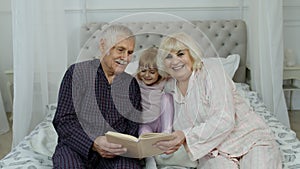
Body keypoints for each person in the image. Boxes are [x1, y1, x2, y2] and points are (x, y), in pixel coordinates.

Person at [154, 32, 282, 169]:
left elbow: (225, 118)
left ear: (192, 54)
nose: (175, 61)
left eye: (180, 54)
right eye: (168, 56)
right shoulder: (168, 89)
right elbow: (141, 83)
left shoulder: (212, 71)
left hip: (249, 139)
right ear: (163, 63)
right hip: (213, 152)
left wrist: (185, 135)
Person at [52, 24, 143, 169]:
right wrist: (93, 142)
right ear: (103, 46)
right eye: (120, 50)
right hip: (77, 147)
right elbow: (63, 120)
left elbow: (133, 129)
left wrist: (127, 146)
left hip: (117, 153)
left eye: (130, 52)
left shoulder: (131, 85)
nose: (125, 58)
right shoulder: (77, 73)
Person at [135, 47, 174, 169]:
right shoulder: (135, 80)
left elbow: (179, 76)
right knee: (144, 135)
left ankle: (166, 134)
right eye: (143, 70)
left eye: (152, 72)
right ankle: (149, 159)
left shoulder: (164, 81)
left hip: (161, 122)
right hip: (146, 123)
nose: (147, 75)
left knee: (167, 97)